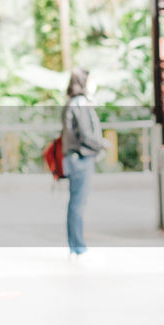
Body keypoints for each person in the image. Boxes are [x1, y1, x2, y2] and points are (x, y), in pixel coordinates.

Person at [62, 67, 104, 256]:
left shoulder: (71, 102)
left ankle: (75, 245)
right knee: (78, 204)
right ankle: (78, 247)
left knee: (75, 203)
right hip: (81, 158)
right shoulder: (80, 103)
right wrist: (101, 144)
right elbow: (86, 134)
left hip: (72, 158)